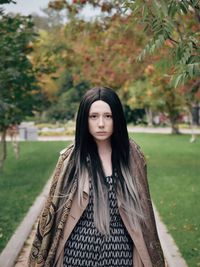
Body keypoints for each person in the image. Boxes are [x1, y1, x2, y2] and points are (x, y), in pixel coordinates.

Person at [29, 87, 165, 267]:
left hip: (120, 256)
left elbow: (145, 215)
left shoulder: (133, 158)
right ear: (84, 120)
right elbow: (52, 215)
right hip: (76, 256)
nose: (101, 123)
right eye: (93, 116)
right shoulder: (71, 159)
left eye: (108, 116)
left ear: (117, 118)